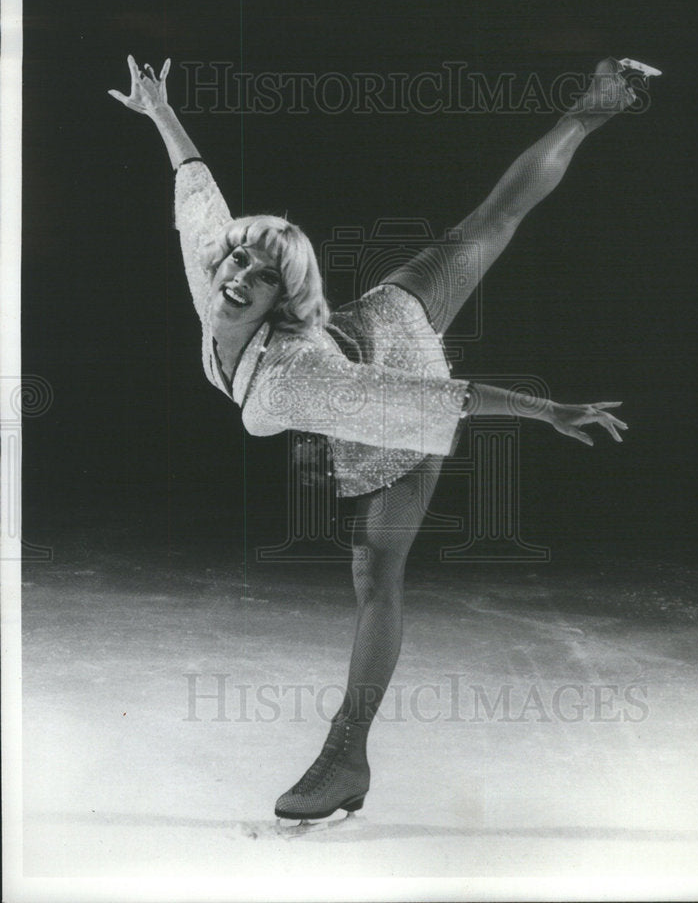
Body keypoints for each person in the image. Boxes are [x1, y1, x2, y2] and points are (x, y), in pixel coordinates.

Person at [109, 53, 647, 824]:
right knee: (489, 221)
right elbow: (200, 196)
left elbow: (429, 397)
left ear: (276, 303)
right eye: (237, 259)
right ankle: (598, 103)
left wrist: (545, 410)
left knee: (375, 577)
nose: (236, 276)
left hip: (380, 389)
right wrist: (161, 112)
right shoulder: (214, 275)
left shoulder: (294, 382)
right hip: (383, 315)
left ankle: (346, 757)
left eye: (257, 276)